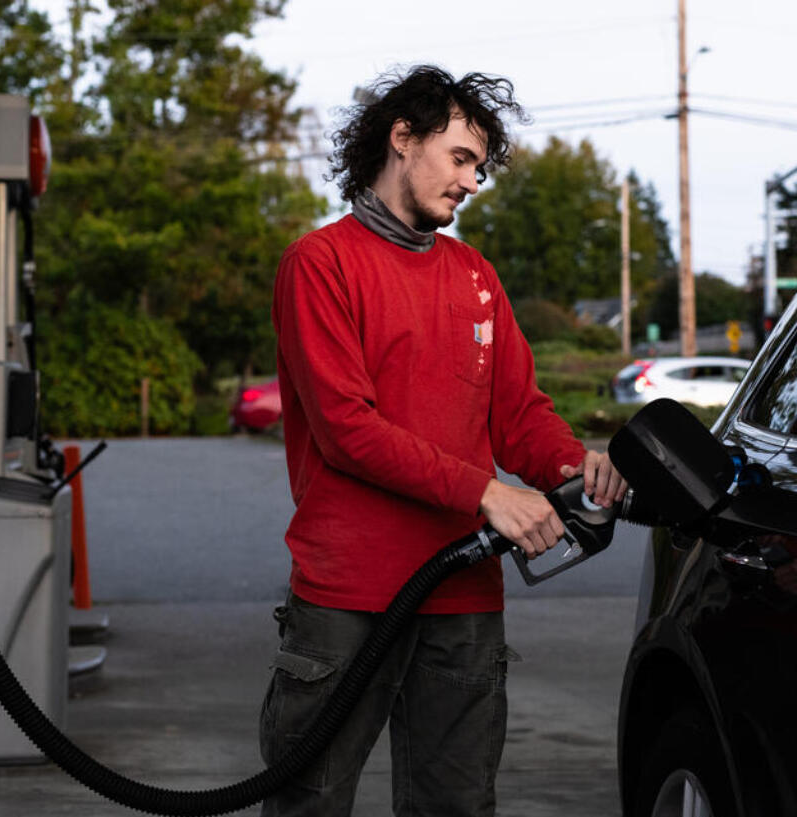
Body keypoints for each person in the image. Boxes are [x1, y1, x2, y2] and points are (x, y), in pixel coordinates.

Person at [258, 65, 627, 816]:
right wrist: (487, 493)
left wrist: (574, 464)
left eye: (480, 167)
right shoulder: (320, 265)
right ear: (402, 138)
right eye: (461, 158)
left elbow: (518, 411)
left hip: (461, 593)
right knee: (310, 801)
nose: (472, 182)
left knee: (455, 804)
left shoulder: (476, 277)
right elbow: (347, 430)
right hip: (348, 595)